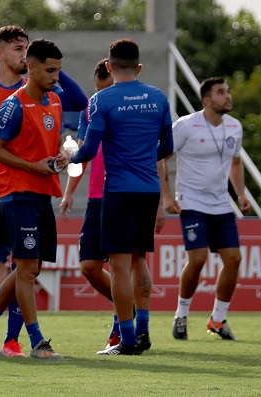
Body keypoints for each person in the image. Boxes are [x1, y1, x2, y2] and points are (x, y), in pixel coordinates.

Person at [0, 26, 86, 357]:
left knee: (27, 266)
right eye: (16, 49)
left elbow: (80, 103)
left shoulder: (50, 97)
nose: (21, 55)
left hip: (35, 190)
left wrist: (64, 152)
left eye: (25, 49)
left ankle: (4, 335)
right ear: (0, 53)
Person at [0, 39, 70, 360]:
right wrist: (34, 167)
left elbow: (43, 150)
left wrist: (58, 158)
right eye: (50, 70)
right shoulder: (12, 105)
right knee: (26, 268)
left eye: (58, 70)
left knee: (33, 267)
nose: (56, 76)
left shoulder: (54, 101)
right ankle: (39, 342)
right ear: (32, 68)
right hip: (16, 192)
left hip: (42, 193)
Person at [72, 38, 173, 356]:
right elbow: (168, 147)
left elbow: (88, 149)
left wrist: (69, 156)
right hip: (148, 188)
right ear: (139, 67)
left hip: (117, 189)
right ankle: (143, 332)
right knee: (139, 259)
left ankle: (127, 340)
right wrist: (143, 157)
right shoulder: (158, 98)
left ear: (109, 67)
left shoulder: (103, 100)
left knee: (117, 265)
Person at [161, 76, 250, 341]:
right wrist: (166, 197)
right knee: (197, 259)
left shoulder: (234, 127)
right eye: (221, 92)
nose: (228, 96)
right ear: (207, 100)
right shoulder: (187, 125)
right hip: (191, 202)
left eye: (228, 91)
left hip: (221, 204)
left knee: (233, 259)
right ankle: (181, 315)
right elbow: (160, 158)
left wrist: (241, 193)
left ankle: (218, 320)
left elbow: (235, 163)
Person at [60, 58, 123, 348]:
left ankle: (122, 328)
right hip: (98, 199)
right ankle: (127, 308)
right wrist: (69, 191)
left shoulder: (130, 108)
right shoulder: (91, 109)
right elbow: (84, 153)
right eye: (99, 91)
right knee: (89, 266)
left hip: (125, 194)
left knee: (125, 265)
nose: (102, 97)